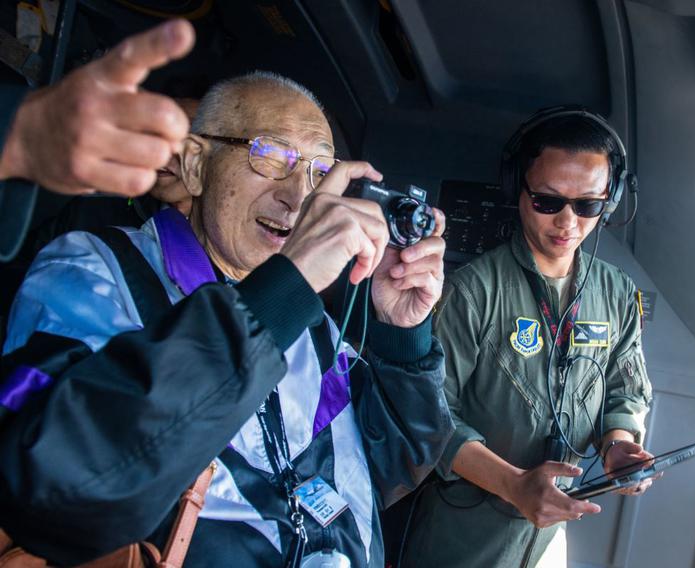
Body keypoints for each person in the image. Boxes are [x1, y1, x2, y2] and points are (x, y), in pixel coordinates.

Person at [0, 70, 452, 566]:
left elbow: (387, 464)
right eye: (270, 156)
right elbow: (59, 489)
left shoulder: (312, 322)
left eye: (320, 173)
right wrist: (279, 298)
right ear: (195, 165)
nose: (298, 197)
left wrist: (402, 333)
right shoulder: (95, 272)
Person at [400, 108, 654, 567]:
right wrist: (514, 485)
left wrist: (618, 447)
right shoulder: (473, 291)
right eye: (548, 202)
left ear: (609, 201)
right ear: (519, 189)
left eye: (588, 205)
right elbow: (430, 415)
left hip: (549, 536)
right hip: (465, 535)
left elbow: (624, 389)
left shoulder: (617, 293)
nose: (568, 223)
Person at [0, 19, 195, 262]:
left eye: (193, 142)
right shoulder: (87, 200)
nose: (169, 149)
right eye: (161, 131)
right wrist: (19, 137)